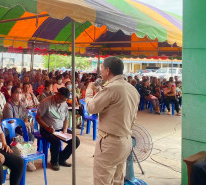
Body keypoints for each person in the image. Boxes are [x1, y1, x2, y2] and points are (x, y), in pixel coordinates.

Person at [85, 56, 140, 185]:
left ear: (108, 70)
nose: (101, 71)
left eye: (102, 68)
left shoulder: (111, 88)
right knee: (117, 180)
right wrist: (99, 92)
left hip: (110, 143)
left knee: (102, 180)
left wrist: (88, 92)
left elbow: (92, 108)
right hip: (125, 140)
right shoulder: (131, 89)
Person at [37, 87, 80, 171]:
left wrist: (65, 129)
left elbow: (66, 118)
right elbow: (38, 118)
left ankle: (61, 159)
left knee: (76, 141)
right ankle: (54, 161)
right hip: (47, 129)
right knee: (56, 142)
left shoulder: (64, 104)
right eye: (60, 98)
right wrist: (47, 127)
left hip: (61, 129)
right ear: (57, 94)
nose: (61, 101)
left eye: (63, 100)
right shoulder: (46, 102)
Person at [3, 86, 36, 171]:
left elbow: (25, 116)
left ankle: (25, 159)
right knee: (19, 140)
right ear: (12, 94)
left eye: (20, 93)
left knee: (30, 137)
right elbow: (11, 124)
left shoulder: (22, 104)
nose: (19, 94)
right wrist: (24, 124)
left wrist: (25, 125)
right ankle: (21, 162)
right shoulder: (8, 106)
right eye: (16, 92)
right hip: (10, 132)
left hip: (20, 129)